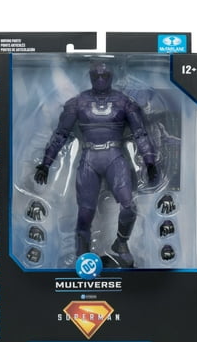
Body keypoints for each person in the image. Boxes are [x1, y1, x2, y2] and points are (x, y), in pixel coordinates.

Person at [33, 61, 157, 267]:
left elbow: (140, 133)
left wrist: (150, 161)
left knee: (129, 206)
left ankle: (121, 244)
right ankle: (82, 256)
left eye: (104, 76)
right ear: (90, 77)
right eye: (96, 76)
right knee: (85, 214)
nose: (100, 79)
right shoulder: (78, 102)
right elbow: (61, 134)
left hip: (115, 156)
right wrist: (45, 164)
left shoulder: (123, 102)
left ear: (111, 77)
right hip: (89, 158)